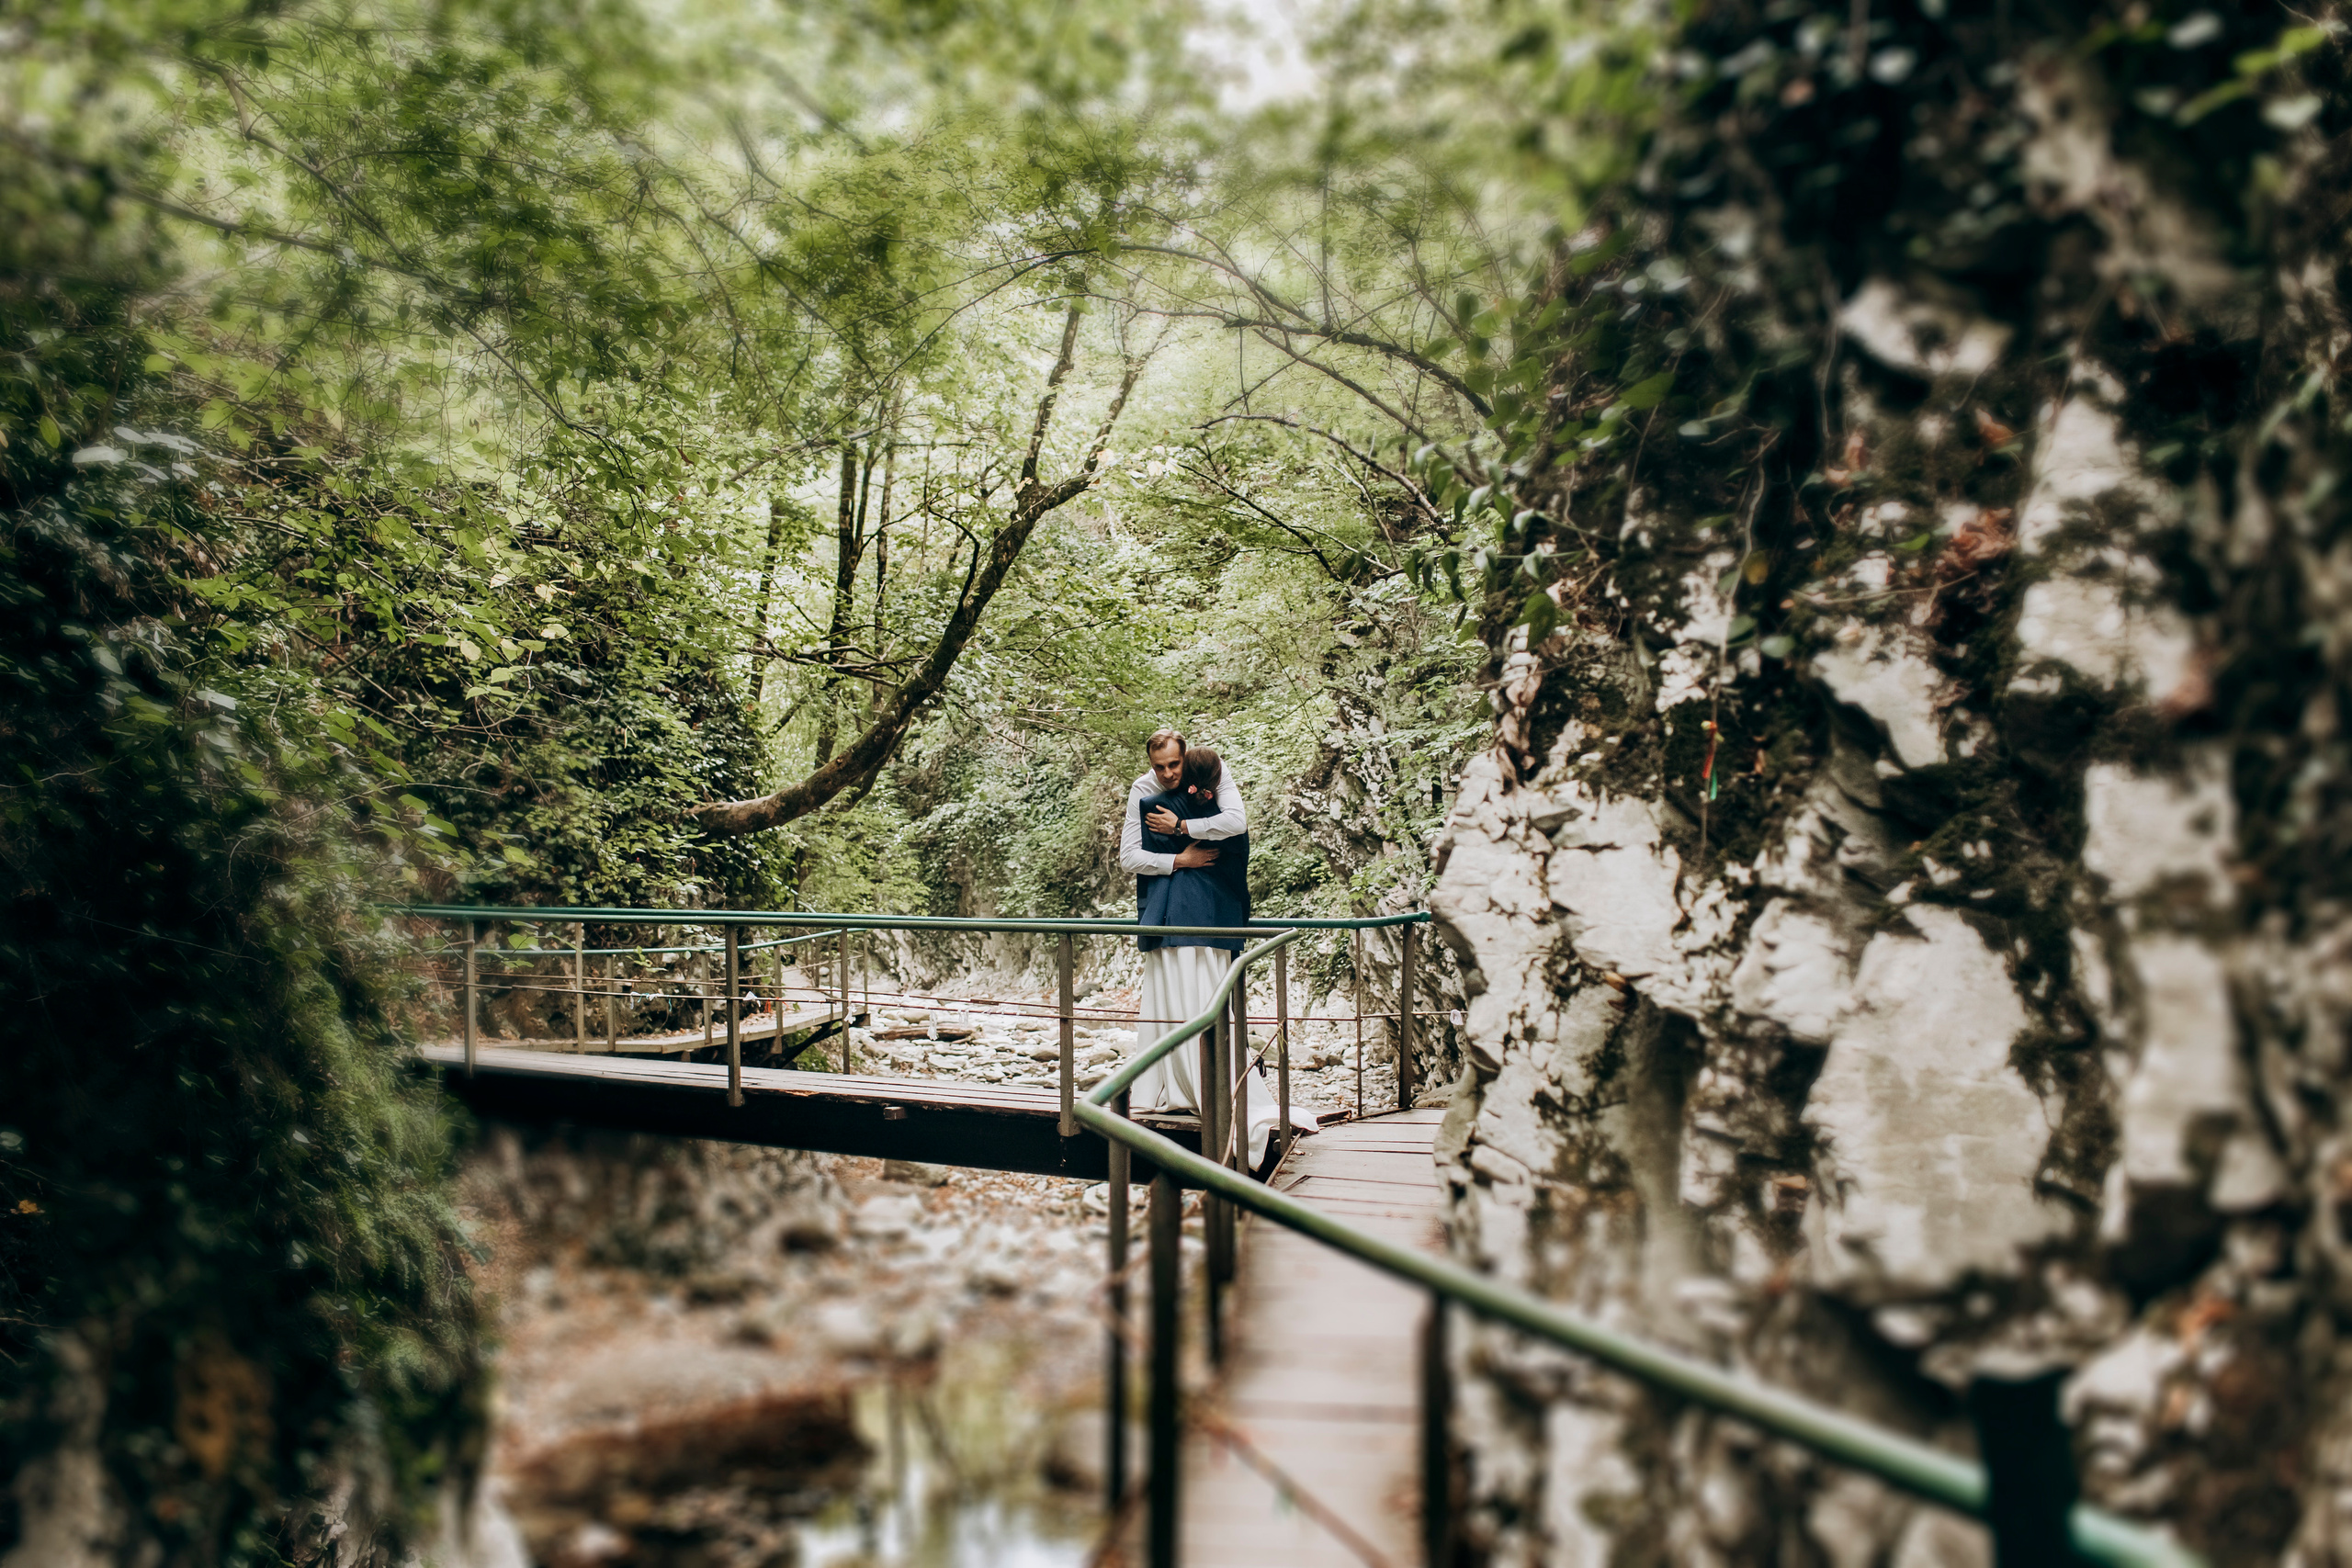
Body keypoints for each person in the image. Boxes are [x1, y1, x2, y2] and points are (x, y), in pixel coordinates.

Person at [1122, 737, 1307, 1168]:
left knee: (1205, 996)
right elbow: (1129, 856)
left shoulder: (1210, 774)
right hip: (1170, 905)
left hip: (1210, 906)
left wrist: (1183, 828)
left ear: (1185, 758)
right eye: (1161, 767)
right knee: (1173, 998)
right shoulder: (1142, 791)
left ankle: (1212, 1086)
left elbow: (1237, 822)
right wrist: (1178, 861)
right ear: (1151, 764)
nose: (1169, 774)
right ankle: (1174, 1084)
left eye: (1174, 765)